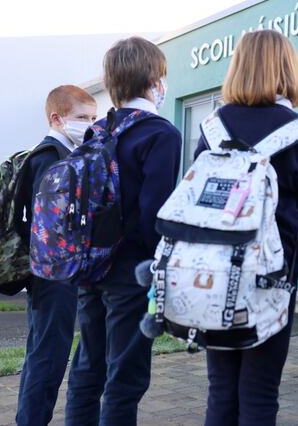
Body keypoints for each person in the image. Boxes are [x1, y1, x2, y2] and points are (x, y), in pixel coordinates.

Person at [192, 30, 298, 426]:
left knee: (221, 389)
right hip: (271, 275)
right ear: (289, 69)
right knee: (260, 391)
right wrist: (292, 272)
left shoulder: (212, 127)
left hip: (214, 273)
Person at [64, 37, 182, 425]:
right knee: (125, 376)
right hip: (130, 272)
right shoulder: (160, 134)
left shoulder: (97, 130)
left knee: (87, 366)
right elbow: (155, 212)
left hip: (89, 265)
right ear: (153, 78)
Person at [16, 85, 96, 426]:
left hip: (53, 272)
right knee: (48, 358)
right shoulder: (50, 157)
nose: (89, 125)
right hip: (53, 273)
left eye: (93, 118)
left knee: (43, 355)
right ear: (57, 118)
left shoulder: (58, 155)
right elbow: (50, 225)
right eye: (81, 118)